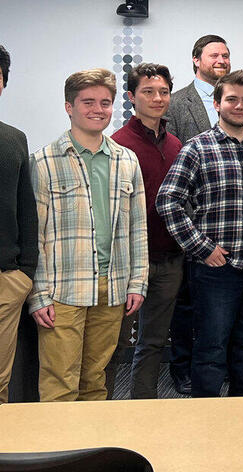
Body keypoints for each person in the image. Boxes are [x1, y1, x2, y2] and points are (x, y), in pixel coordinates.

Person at [157, 70, 243, 398]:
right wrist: (201, 248)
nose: (239, 106)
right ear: (216, 103)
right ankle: (207, 427)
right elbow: (167, 200)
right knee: (211, 351)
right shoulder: (197, 148)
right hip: (216, 271)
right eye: (231, 99)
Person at [29, 69, 148, 401]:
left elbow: (138, 229)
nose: (98, 109)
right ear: (69, 106)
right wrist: (38, 294)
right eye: (88, 102)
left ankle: (90, 452)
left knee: (96, 380)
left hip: (113, 288)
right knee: (60, 383)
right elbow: (34, 236)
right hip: (62, 290)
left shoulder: (127, 161)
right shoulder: (43, 162)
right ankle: (59, 452)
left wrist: (137, 282)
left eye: (105, 102)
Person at [108, 63, 183, 399]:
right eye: (148, 92)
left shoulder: (177, 145)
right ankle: (103, 406)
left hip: (169, 259)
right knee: (115, 343)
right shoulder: (118, 145)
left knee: (153, 341)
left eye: (163, 92)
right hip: (127, 263)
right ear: (131, 97)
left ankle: (144, 405)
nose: (157, 98)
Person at [163, 33, 231, 395]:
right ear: (195, 60)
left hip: (229, 225)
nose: (221, 60)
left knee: (220, 311)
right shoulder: (175, 104)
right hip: (190, 225)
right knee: (186, 306)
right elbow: (175, 167)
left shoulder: (237, 104)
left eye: (226, 55)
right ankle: (182, 369)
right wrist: (192, 229)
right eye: (214, 55)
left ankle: (218, 369)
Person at [0, 45, 38, 404]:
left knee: (0, 380)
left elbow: (27, 209)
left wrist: (24, 272)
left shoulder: (13, 139)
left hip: (5, 281)